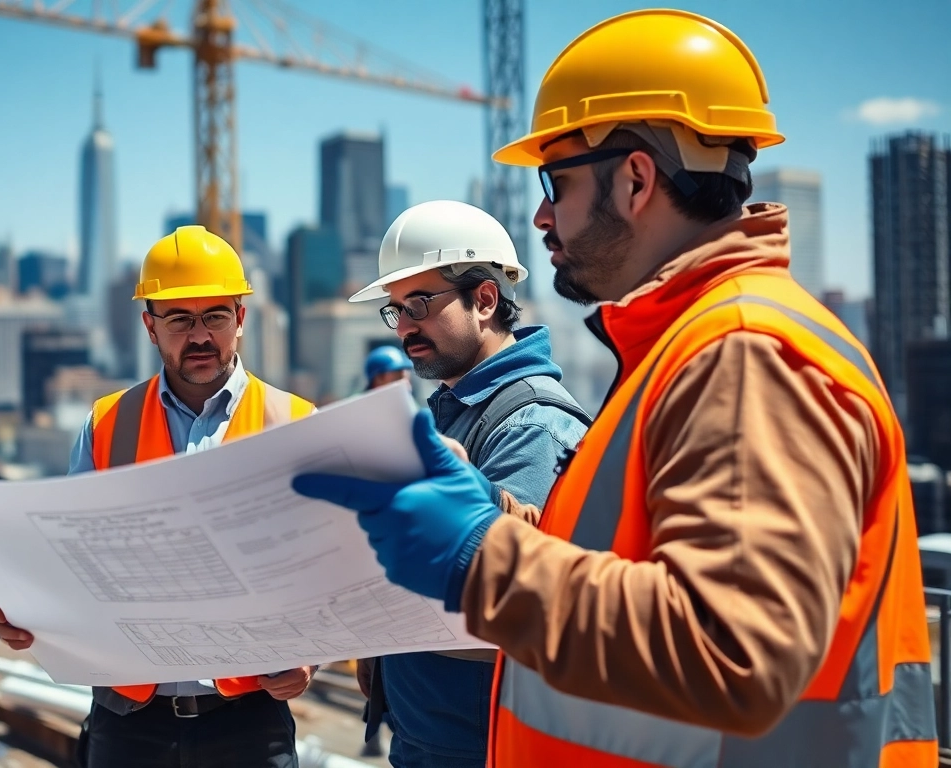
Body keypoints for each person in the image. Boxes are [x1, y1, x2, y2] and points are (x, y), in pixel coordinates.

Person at [293, 9, 936, 767]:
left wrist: (481, 557)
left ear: (635, 179)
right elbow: (641, 568)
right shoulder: (690, 348)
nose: (540, 216)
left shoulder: (744, 354)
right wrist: (495, 516)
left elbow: (732, 651)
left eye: (555, 182)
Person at [0, 225, 317, 768]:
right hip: (128, 719)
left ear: (241, 318)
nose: (200, 335)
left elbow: (327, 567)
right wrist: (24, 607)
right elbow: (73, 556)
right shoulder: (107, 423)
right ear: (149, 326)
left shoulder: (297, 422)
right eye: (180, 319)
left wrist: (312, 655)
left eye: (215, 316)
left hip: (249, 718)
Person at [348, 200, 589, 768]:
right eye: (395, 310)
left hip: (482, 747)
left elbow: (504, 599)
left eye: (419, 304)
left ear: (484, 299)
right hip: (431, 738)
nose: (405, 325)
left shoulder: (531, 424)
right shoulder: (448, 414)